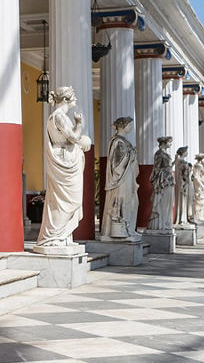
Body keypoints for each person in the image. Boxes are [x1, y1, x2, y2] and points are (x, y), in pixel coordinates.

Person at [36, 86, 92, 250]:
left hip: (67, 157)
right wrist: (79, 124)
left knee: (67, 200)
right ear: (66, 99)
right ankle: (54, 236)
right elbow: (73, 138)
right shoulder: (59, 117)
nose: (76, 99)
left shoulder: (60, 117)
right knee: (64, 200)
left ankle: (64, 236)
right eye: (74, 96)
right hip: (64, 159)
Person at [99, 116, 138, 240]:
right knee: (124, 201)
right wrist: (130, 155)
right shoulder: (118, 142)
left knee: (131, 201)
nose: (131, 128)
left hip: (127, 176)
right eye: (130, 125)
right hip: (121, 179)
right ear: (123, 126)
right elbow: (116, 166)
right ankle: (121, 229)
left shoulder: (123, 141)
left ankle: (129, 228)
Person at [147, 137, 175, 232]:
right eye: (170, 142)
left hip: (169, 180)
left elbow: (168, 166)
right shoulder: (159, 153)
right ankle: (159, 224)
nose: (171, 144)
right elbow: (157, 168)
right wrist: (158, 182)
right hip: (163, 180)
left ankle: (166, 223)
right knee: (162, 202)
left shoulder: (167, 154)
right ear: (164, 142)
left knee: (168, 203)